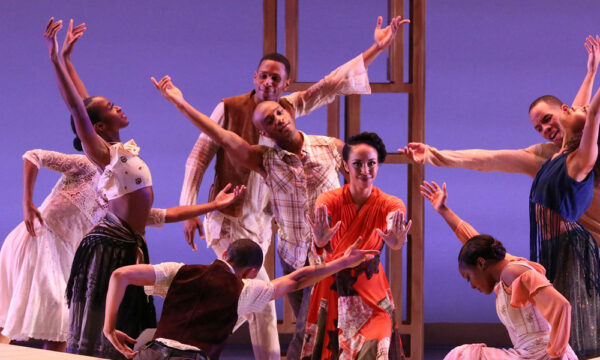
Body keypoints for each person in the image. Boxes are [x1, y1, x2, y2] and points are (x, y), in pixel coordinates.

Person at [178, 15, 409, 360]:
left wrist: (377, 47)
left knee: (275, 305)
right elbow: (200, 156)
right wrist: (189, 208)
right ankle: (187, 342)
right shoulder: (229, 109)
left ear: (284, 85)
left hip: (271, 224)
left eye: (276, 78)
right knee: (257, 298)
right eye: (264, 76)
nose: (269, 82)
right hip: (232, 216)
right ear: (254, 78)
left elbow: (333, 84)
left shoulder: (297, 117)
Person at [43, 18, 247, 359]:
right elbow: (79, 107)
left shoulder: (121, 157)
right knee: (106, 333)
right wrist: (55, 60)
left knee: (128, 331)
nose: (118, 106)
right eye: (110, 108)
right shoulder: (103, 154)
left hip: (127, 243)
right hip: (108, 249)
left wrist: (212, 206)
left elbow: (159, 215)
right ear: (99, 127)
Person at [399, 35, 600, 245]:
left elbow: (586, 117)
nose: (546, 130)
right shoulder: (543, 157)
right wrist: (434, 155)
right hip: (581, 250)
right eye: (539, 128)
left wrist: (591, 74)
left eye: (548, 119)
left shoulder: (586, 145)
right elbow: (488, 159)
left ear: (564, 111)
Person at [102, 238, 379, 360]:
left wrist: (109, 328)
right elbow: (297, 279)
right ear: (252, 272)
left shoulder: (177, 271)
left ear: (224, 255)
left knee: (147, 335)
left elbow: (120, 275)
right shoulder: (245, 291)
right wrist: (341, 263)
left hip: (150, 355)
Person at [421, 180, 577, 360]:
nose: (471, 285)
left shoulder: (513, 271)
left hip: (542, 355)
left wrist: (556, 355)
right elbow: (472, 240)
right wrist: (444, 211)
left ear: (481, 263)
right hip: (530, 353)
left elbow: (562, 306)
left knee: (462, 355)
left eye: (468, 277)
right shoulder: (506, 268)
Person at [300, 132, 410, 359]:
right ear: (345, 166)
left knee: (377, 344)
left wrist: (395, 240)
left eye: (372, 163)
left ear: (378, 165)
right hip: (332, 283)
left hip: (370, 286)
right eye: (357, 164)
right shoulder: (328, 200)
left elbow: (393, 221)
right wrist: (320, 241)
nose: (365, 170)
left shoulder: (390, 203)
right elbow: (321, 236)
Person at [0, 148, 107, 352]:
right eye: (112, 111)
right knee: (56, 315)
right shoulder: (85, 165)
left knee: (60, 322)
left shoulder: (114, 185)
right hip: (39, 239)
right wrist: (27, 203)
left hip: (64, 253)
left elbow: (147, 215)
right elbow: (33, 156)